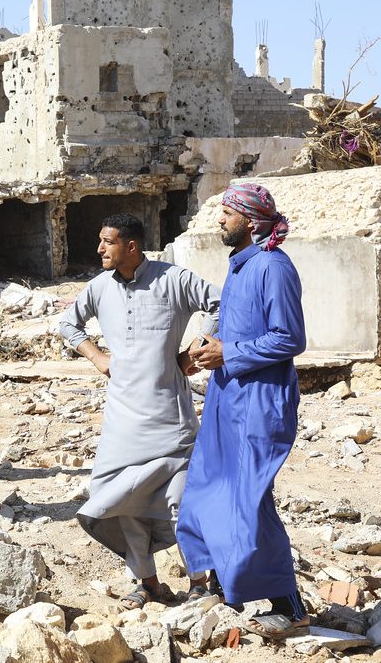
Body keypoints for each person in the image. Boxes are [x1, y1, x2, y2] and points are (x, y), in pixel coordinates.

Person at [59, 213, 221, 609]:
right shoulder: (98, 287)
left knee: (182, 501)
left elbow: (221, 302)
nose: (99, 249)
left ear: (130, 246)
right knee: (121, 501)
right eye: (100, 241)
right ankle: (147, 582)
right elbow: (68, 324)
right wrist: (97, 356)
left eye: (107, 242)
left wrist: (195, 350)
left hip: (171, 416)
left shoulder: (174, 279)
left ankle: (200, 581)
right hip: (122, 423)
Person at [179, 183, 308, 639]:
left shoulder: (273, 266)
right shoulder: (241, 265)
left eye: (227, 213)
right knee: (209, 484)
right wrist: (207, 348)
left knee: (249, 498)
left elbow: (289, 338)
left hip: (260, 401)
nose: (219, 220)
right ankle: (217, 582)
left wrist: (229, 352)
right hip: (226, 396)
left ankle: (288, 604)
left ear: (250, 222)